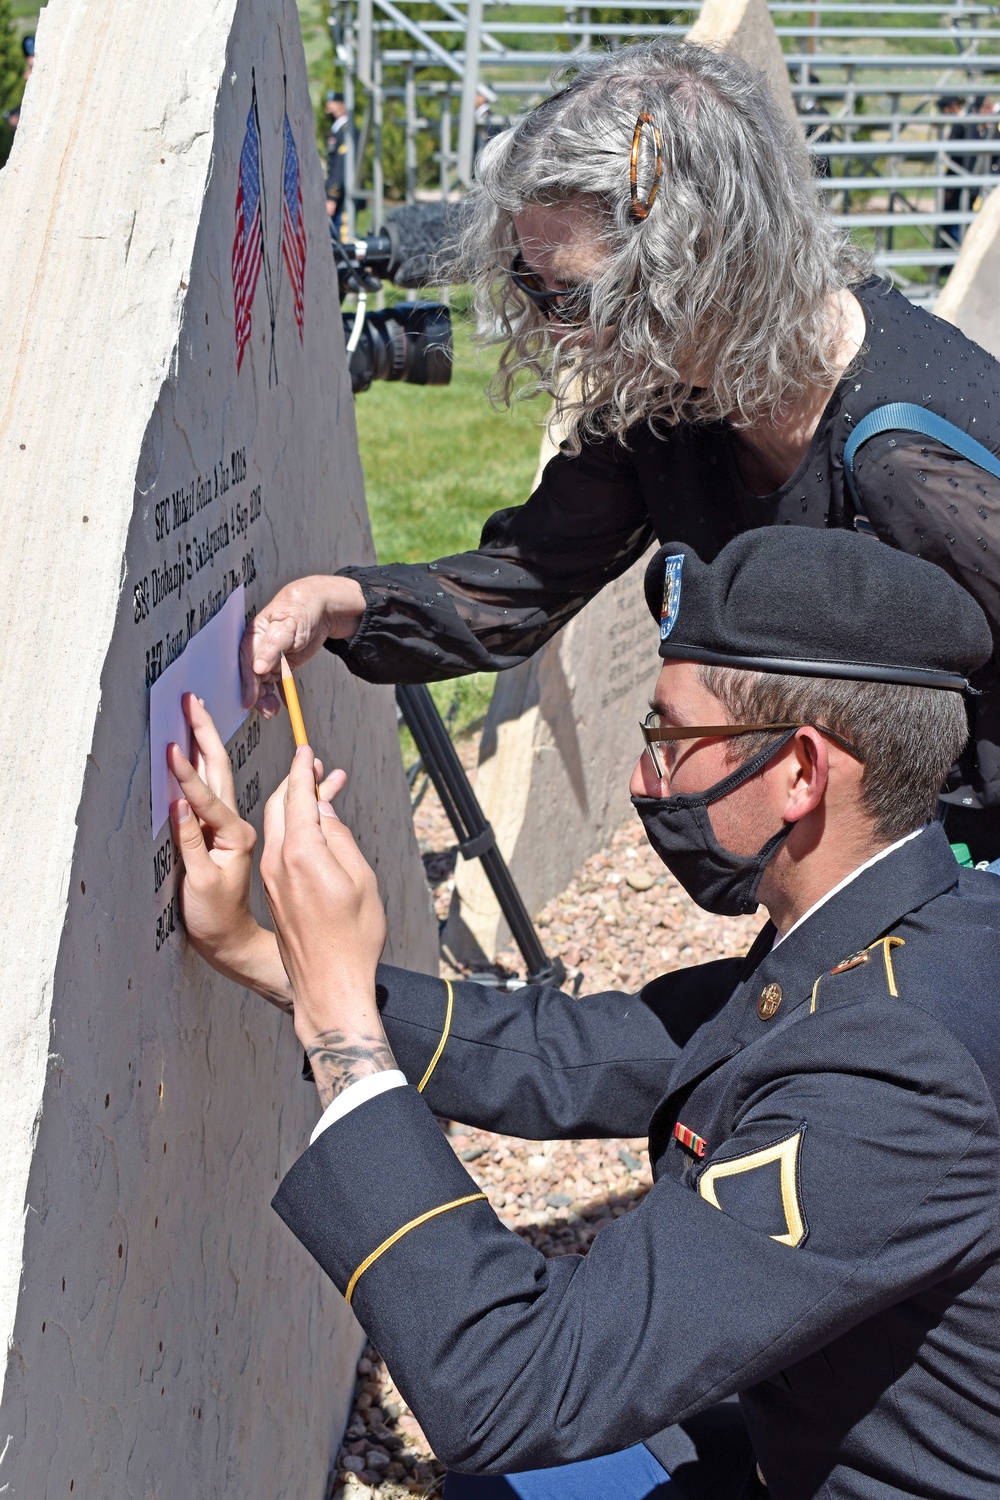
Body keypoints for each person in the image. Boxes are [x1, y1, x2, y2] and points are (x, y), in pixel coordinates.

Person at [176, 527, 1000, 1498]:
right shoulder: (907, 922)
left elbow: (514, 1387)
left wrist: (341, 1033)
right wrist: (270, 955)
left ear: (800, 773)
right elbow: (592, 1054)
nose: (644, 780)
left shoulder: (895, 1071)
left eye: (670, 739)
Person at [240, 39, 1000, 863]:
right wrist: (338, 602)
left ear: (702, 260)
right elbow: (527, 582)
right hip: (847, 852)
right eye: (534, 287)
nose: (557, 330)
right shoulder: (670, 397)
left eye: (577, 295)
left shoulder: (912, 445)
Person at [324, 91, 351, 240]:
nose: (328, 110)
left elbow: (340, 167)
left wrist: (332, 197)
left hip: (342, 196)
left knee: (342, 239)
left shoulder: (345, 131)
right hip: (338, 194)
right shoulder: (338, 130)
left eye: (331, 106)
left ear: (342, 107)